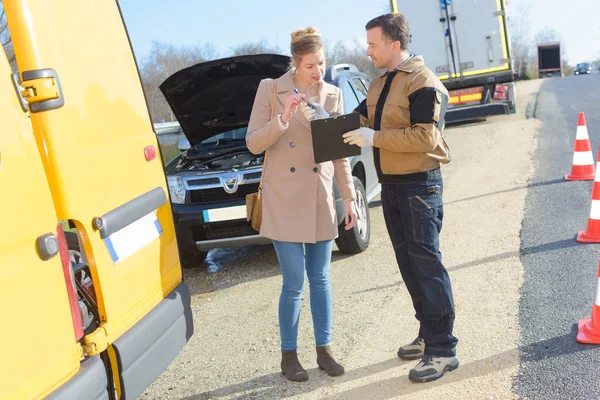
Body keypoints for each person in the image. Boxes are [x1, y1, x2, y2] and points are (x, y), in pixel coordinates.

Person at [343, 13, 458, 383]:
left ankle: (443, 350)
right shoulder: (378, 85)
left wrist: (374, 139)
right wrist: (318, 118)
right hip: (392, 186)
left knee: (426, 263)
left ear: (395, 45)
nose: (367, 49)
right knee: (408, 264)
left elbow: (426, 137)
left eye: (373, 43)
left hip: (419, 186)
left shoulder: (424, 82)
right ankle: (428, 334)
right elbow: (357, 121)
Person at [246, 27, 357, 382]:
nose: (317, 71)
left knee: (321, 278)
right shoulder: (270, 89)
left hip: (319, 197)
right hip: (282, 198)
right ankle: (289, 356)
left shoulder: (333, 95)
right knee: (294, 281)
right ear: (295, 64)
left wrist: (349, 198)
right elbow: (252, 143)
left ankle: (324, 350)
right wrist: (282, 119)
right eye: (310, 65)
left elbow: (340, 153)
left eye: (321, 63)